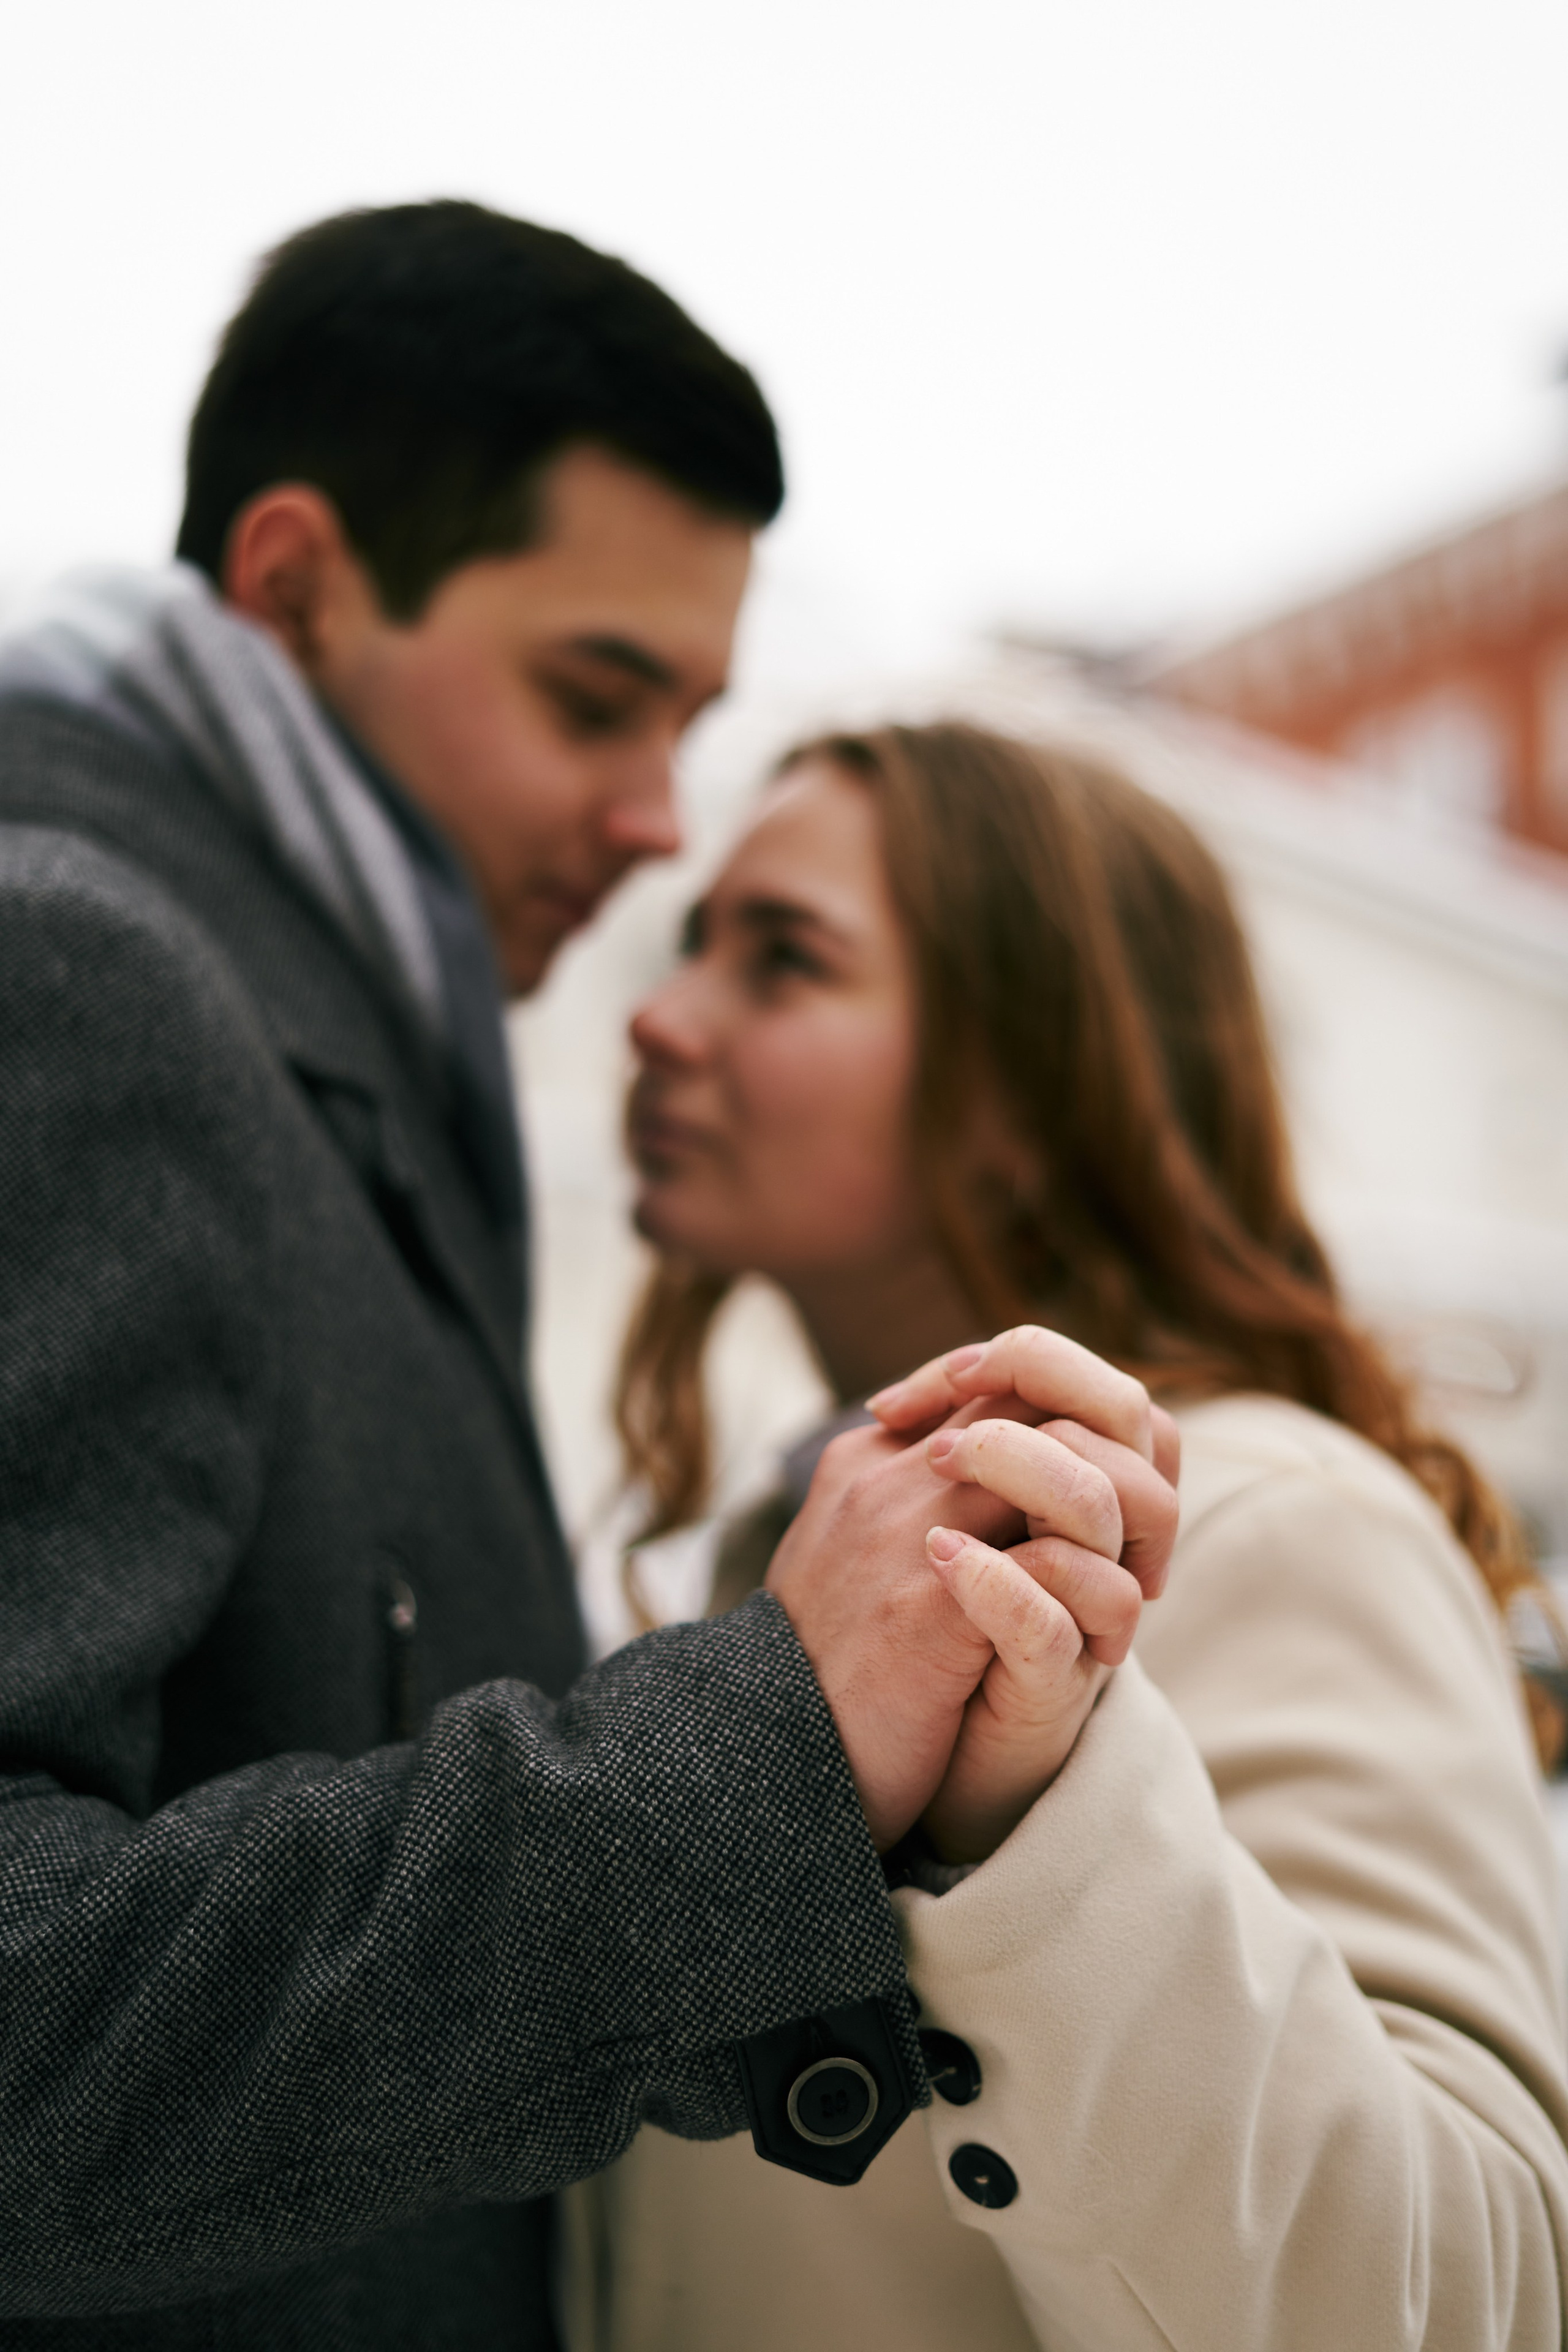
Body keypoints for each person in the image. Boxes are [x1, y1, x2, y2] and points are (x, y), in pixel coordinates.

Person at [0, 211, 1178, 2343]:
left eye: (688, 722)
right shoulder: (75, 978)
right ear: (297, 584)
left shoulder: (317, 1020)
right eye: (595, 698)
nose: (655, 822)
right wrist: (762, 1749)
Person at [576, 719, 1568, 2350]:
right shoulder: (784, 1536)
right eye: (694, 944)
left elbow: (1472, 2301)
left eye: (785, 960)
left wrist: (1043, 1822)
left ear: (1026, 1090)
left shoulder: (1285, 1523)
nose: (661, 1018)